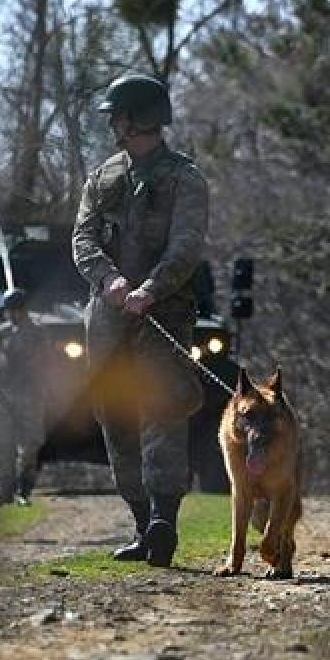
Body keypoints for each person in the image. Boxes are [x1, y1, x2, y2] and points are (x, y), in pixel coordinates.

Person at [72, 73, 209, 568]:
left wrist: (151, 289)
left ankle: (163, 521)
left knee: (162, 409)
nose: (112, 124)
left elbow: (186, 246)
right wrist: (109, 280)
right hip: (107, 319)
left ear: (134, 119)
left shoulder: (185, 178)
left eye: (117, 116)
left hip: (164, 315)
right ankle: (139, 521)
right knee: (115, 415)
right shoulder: (102, 178)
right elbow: (82, 240)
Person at [0, 288, 48, 507]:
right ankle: (2, 491)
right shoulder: (2, 332)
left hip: (29, 394)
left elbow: (41, 363)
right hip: (3, 394)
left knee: (29, 445)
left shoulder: (37, 333)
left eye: (15, 310)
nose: (11, 314)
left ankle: (23, 490)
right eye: (8, 310)